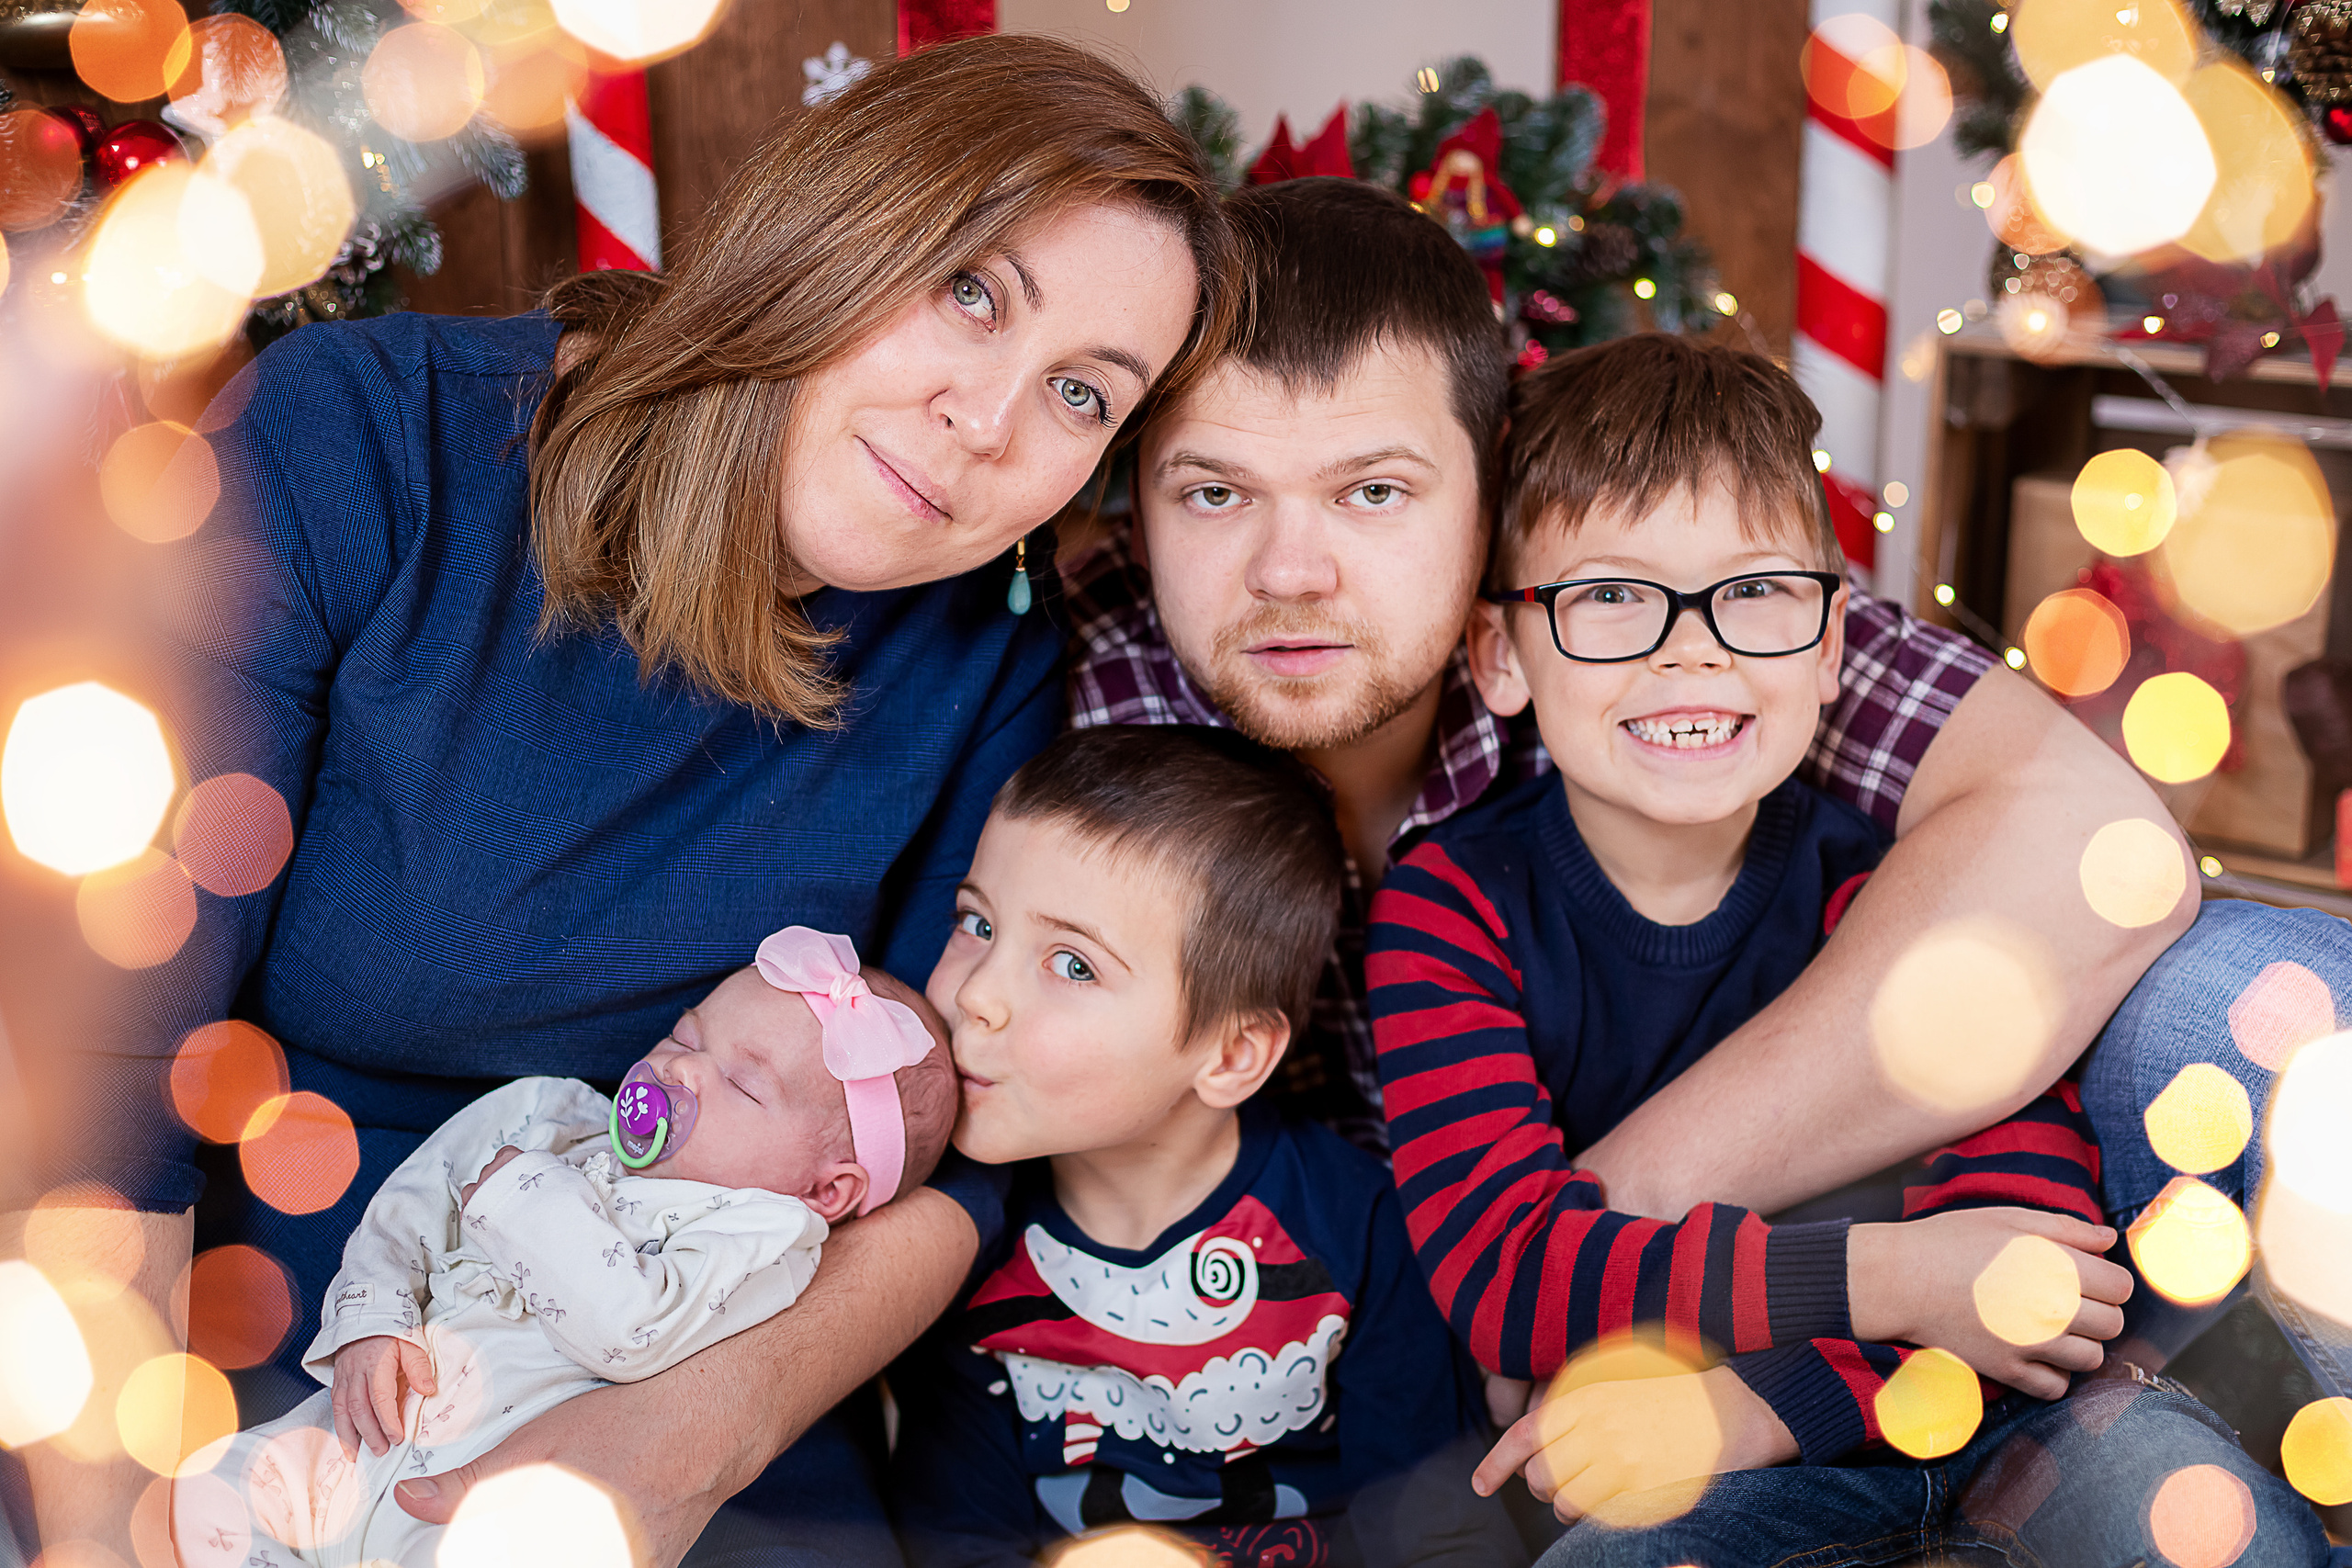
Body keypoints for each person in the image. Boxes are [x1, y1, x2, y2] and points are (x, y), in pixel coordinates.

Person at [37, 35, 1242, 1565]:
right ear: (829, 218)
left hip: (696, 1355)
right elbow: (100, 1069)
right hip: (297, 1326)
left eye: (1081, 393)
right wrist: (97, 1538)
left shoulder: (981, 658)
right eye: (971, 290)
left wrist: (692, 1434)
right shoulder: (366, 443)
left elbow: (969, 1158)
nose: (992, 423)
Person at [1063, 175, 2352, 1394]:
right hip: (1373, 1372)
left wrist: (1598, 1212)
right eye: (1216, 491)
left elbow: (2106, 858)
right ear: (1136, 497)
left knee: (2249, 1001)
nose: (1294, 571)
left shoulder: (1655, 624)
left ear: (1490, 482)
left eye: (1376, 491)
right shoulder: (1074, 697)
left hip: (1711, 1298)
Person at [1363, 333, 2331, 1563]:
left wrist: (1779, 1395)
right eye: (1610, 594)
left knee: (2205, 1531)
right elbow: (1509, 1276)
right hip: (1696, 1460)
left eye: (1755, 590)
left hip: (2002, 1423)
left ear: (1833, 646)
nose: (1691, 646)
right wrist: (1890, 1276)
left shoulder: (1891, 890)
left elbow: (2033, 1255)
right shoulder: (1454, 913)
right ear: (1501, 654)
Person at [891, 727, 1521, 1567]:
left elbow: (1433, 1532)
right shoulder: (961, 1251)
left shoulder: (1359, 1227)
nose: (976, 994)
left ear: (1231, 1056)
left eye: (1073, 965)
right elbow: (959, 1540)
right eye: (976, 922)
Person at [176, 931, 957, 1564]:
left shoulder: (762, 1239)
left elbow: (629, 1328)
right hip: (374, 1423)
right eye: (686, 1033)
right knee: (212, 1491)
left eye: (744, 1085)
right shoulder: (556, 1115)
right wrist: (374, 1315)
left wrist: (524, 1196)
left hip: (500, 1486)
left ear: (827, 1191)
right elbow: (417, 1198)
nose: (679, 1067)